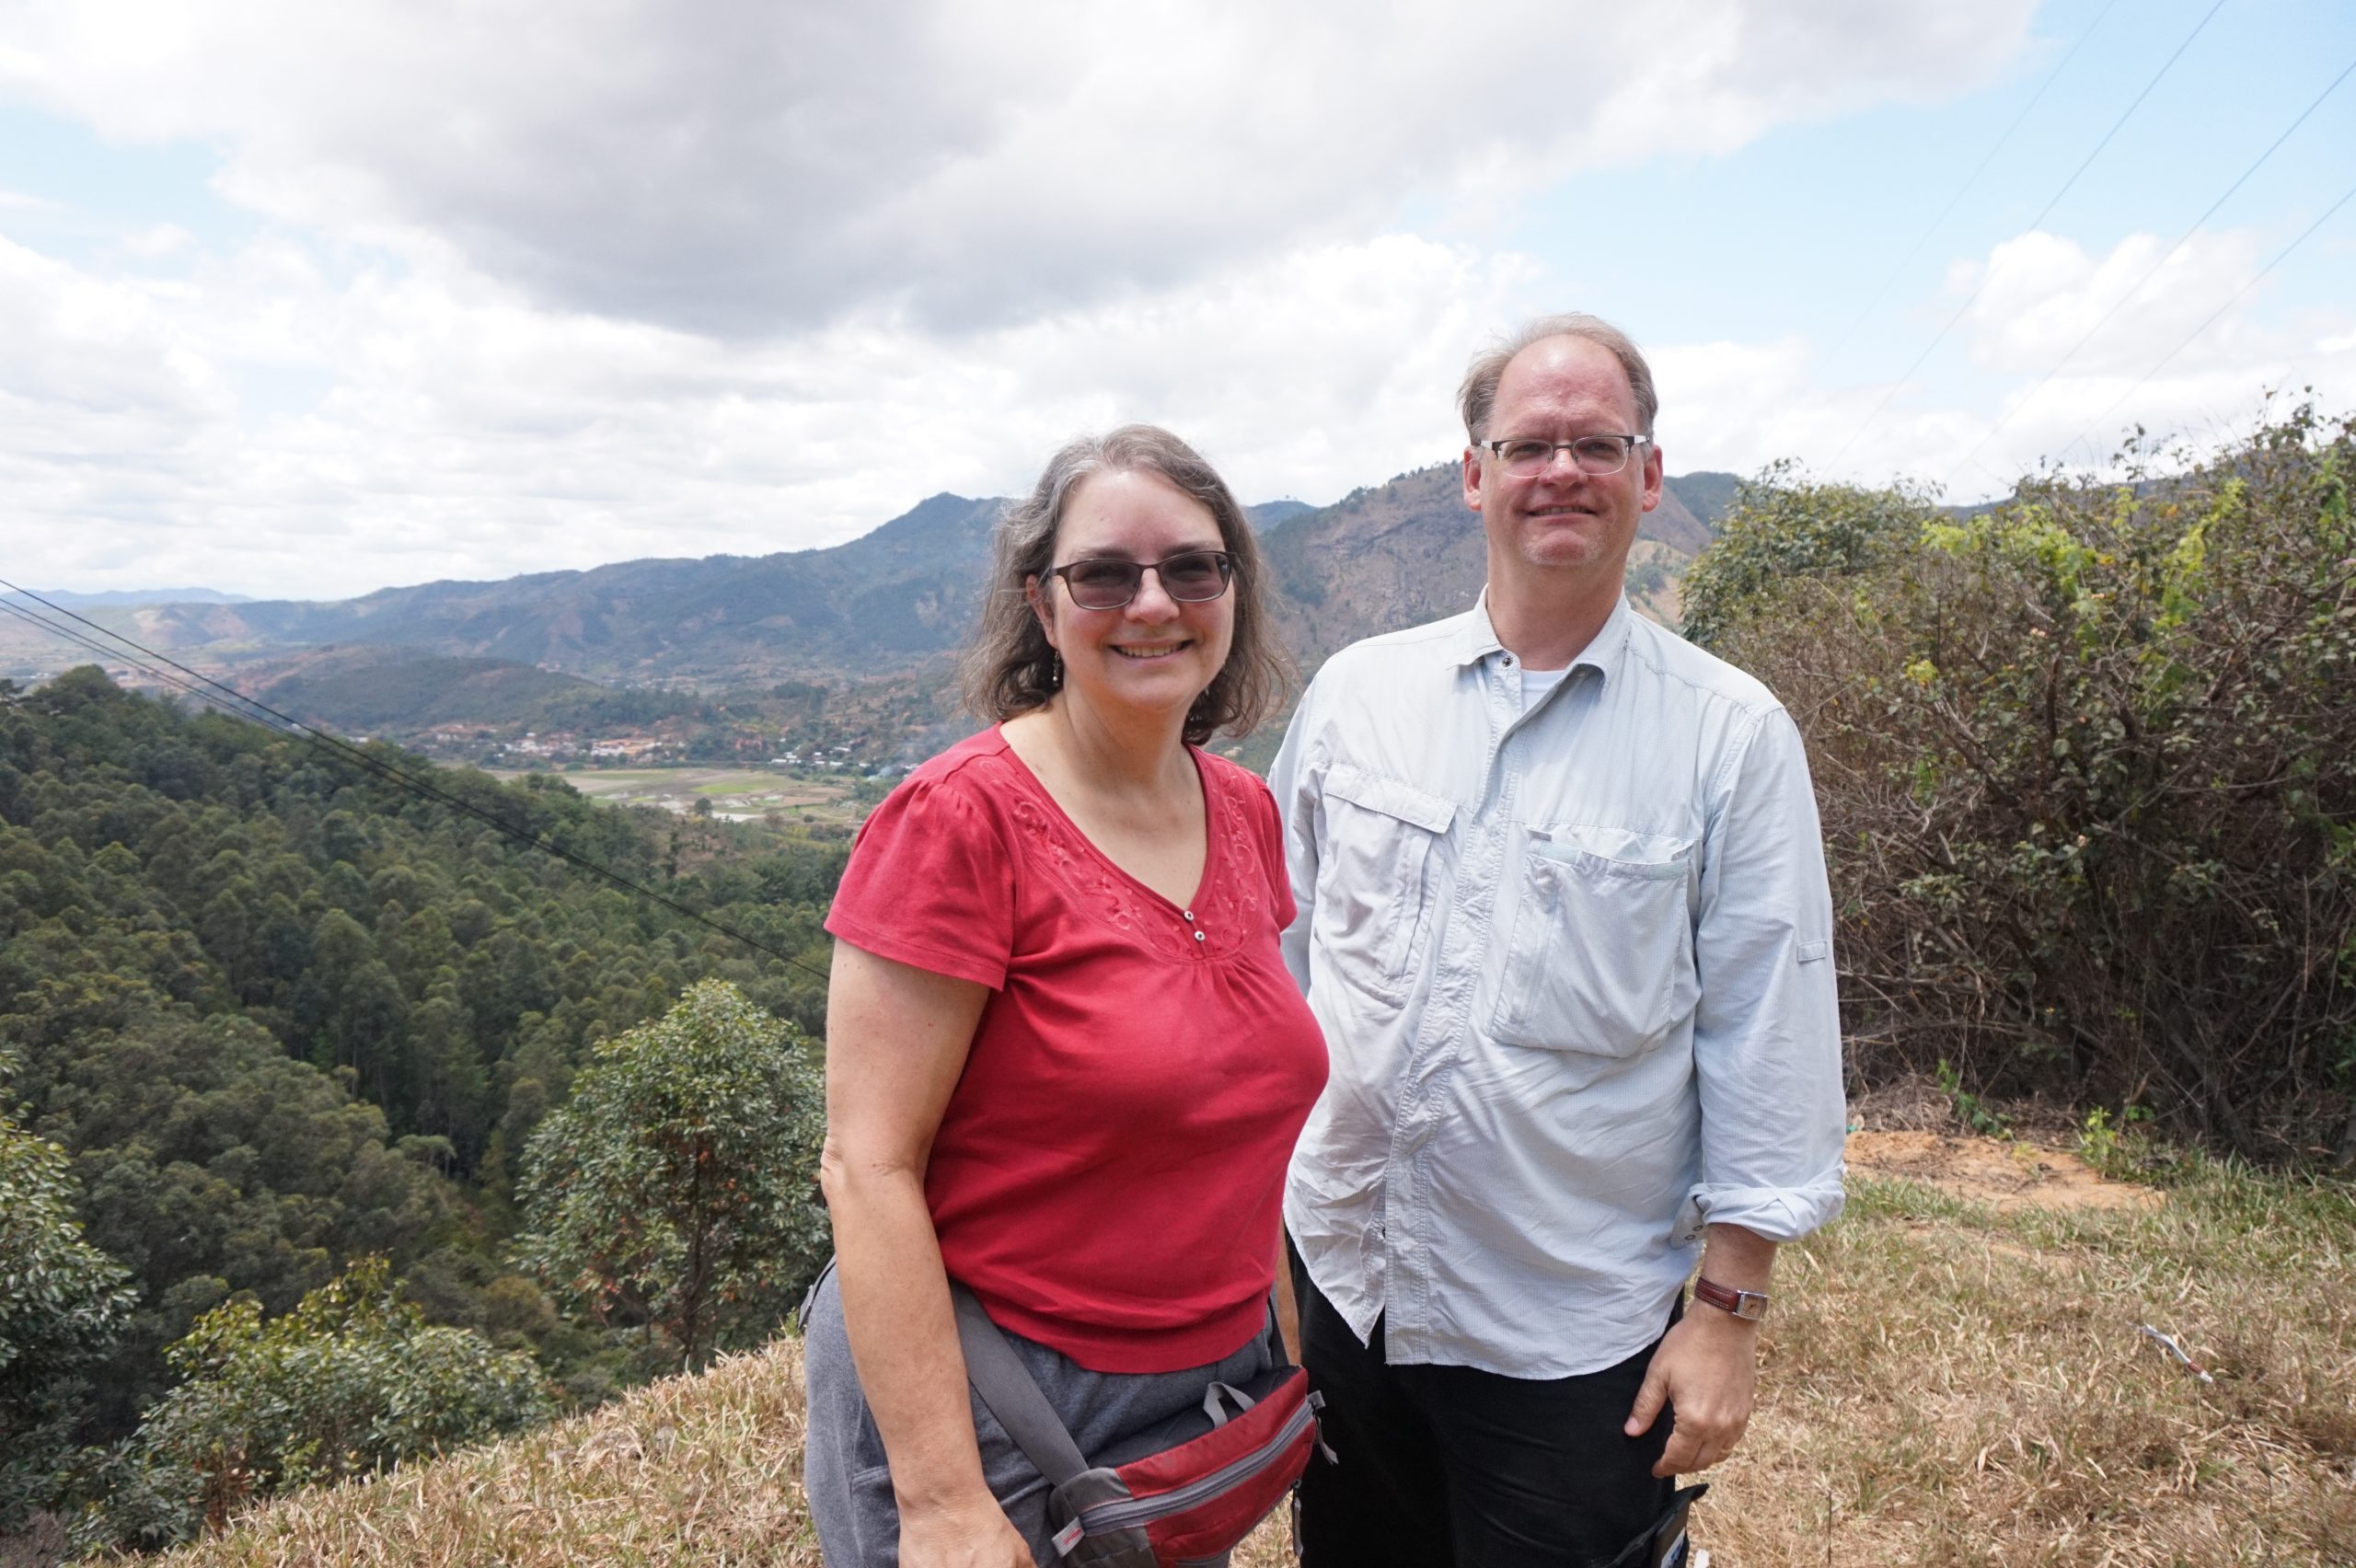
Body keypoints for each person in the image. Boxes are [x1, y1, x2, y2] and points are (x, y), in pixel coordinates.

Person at [1270, 313, 1847, 1566]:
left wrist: (1729, 1313)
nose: (1561, 471)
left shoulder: (1729, 737)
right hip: (1347, 1287)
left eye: (1598, 442)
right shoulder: (1357, 696)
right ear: (1474, 474)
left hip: (1568, 1328)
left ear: (1649, 474)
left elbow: (1769, 1026)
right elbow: (1281, 971)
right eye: (1528, 443)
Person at [803, 424, 1327, 1567]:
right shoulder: (960, 820)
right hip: (1005, 1395)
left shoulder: (1241, 811)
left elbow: (1235, 1116)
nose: (1153, 603)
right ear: (1042, 606)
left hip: (1201, 1395)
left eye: (1192, 567)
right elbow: (866, 1163)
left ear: (1231, 590)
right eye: (1104, 574)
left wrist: (1281, 1347)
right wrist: (941, 1500)